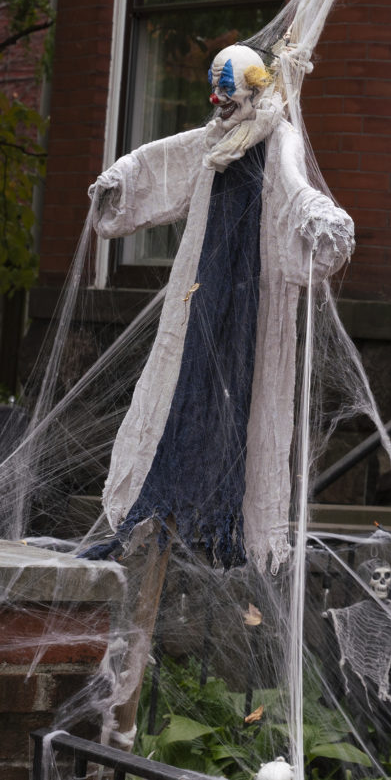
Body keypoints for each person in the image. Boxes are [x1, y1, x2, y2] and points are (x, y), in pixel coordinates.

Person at [85, 43, 353, 570]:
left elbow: (296, 186)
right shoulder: (216, 139)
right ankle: (167, 506)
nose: (216, 99)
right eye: (214, 89)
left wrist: (322, 219)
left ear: (254, 90)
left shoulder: (279, 137)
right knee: (182, 384)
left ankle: (219, 524)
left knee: (242, 396)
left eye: (225, 90)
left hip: (250, 301)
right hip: (203, 290)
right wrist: (123, 176)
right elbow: (167, 157)